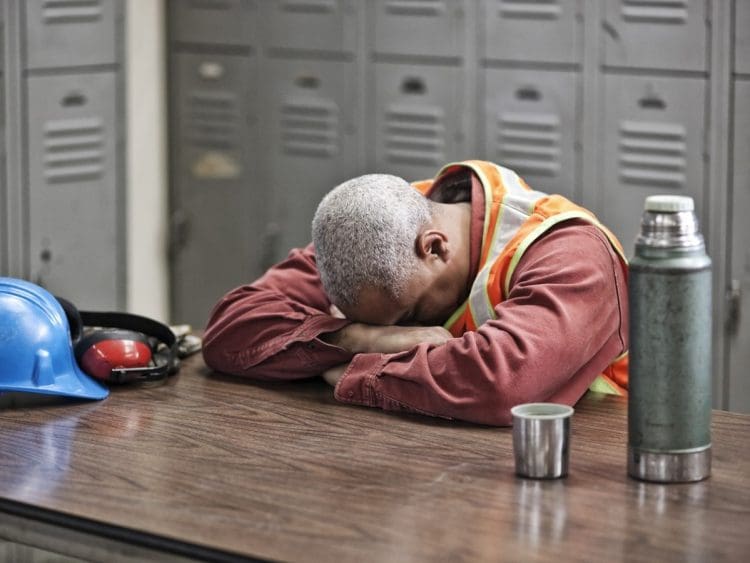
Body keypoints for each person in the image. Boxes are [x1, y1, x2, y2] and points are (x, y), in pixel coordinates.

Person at [202, 160, 629, 426]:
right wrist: (360, 339)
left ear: (435, 248)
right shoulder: (379, 231)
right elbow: (229, 331)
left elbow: (501, 382)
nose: (405, 329)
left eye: (408, 315)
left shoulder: (571, 252)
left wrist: (358, 375)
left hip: (583, 477)